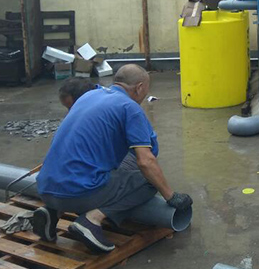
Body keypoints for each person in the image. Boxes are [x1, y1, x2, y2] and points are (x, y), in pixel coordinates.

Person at [32, 64, 192, 253]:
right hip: (78, 194)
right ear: (140, 87)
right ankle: (91, 221)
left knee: (100, 168)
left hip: (45, 188)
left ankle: (52, 212)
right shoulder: (129, 108)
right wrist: (171, 196)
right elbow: (146, 161)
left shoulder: (88, 96)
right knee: (149, 181)